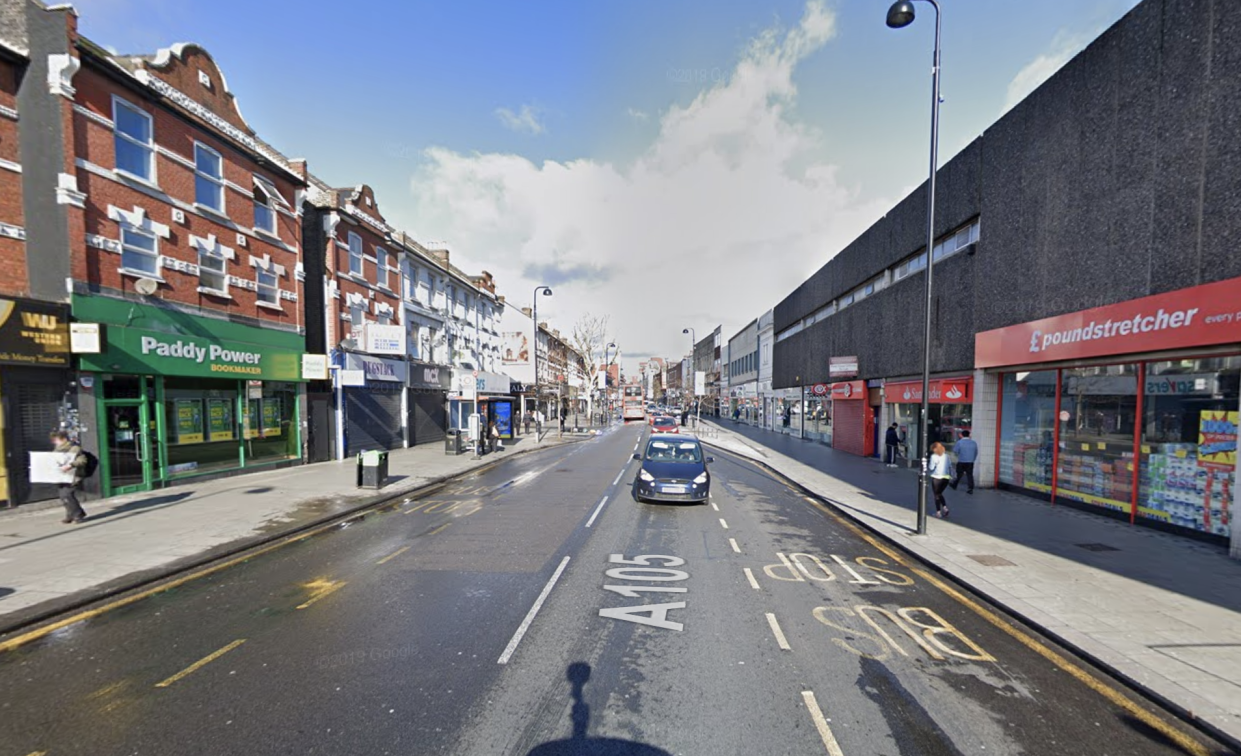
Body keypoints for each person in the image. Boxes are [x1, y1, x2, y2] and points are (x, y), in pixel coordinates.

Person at [50, 431, 88, 524]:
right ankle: (71, 514)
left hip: (74, 476)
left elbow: (83, 460)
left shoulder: (74, 448)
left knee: (67, 495)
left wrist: (71, 465)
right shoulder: (56, 450)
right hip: (61, 476)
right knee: (63, 496)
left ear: (64, 439)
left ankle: (78, 514)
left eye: (56, 440)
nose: (54, 442)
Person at [928, 441, 952, 518]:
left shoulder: (933, 456)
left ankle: (938, 512)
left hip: (937, 477)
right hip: (946, 478)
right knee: (939, 493)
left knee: (936, 495)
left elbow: (931, 467)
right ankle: (945, 508)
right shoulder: (947, 456)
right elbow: (949, 466)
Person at [950, 429, 978, 493]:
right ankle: (970, 488)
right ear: (969, 435)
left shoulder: (959, 442)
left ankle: (954, 484)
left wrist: (958, 455)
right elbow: (976, 452)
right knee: (969, 475)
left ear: (962, 435)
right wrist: (973, 459)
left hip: (962, 460)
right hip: (970, 461)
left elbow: (955, 451)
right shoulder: (973, 443)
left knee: (959, 474)